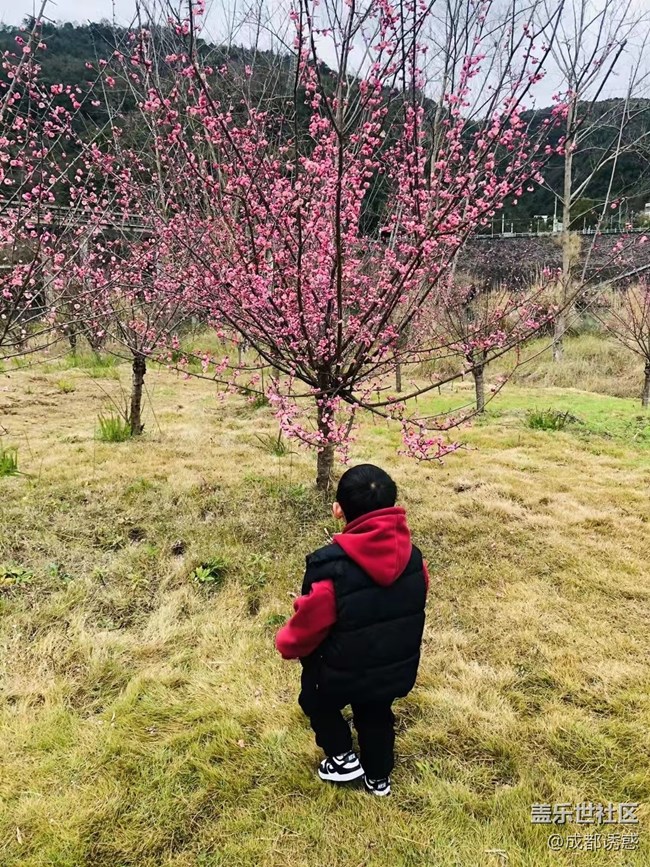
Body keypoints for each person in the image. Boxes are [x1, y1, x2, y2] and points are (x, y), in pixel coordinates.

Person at [275, 463, 429, 796]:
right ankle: (378, 778)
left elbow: (307, 628)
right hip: (391, 667)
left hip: (338, 671)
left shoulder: (330, 569)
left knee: (316, 702)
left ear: (338, 510)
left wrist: (286, 641)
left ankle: (343, 759)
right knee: (376, 714)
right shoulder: (416, 560)